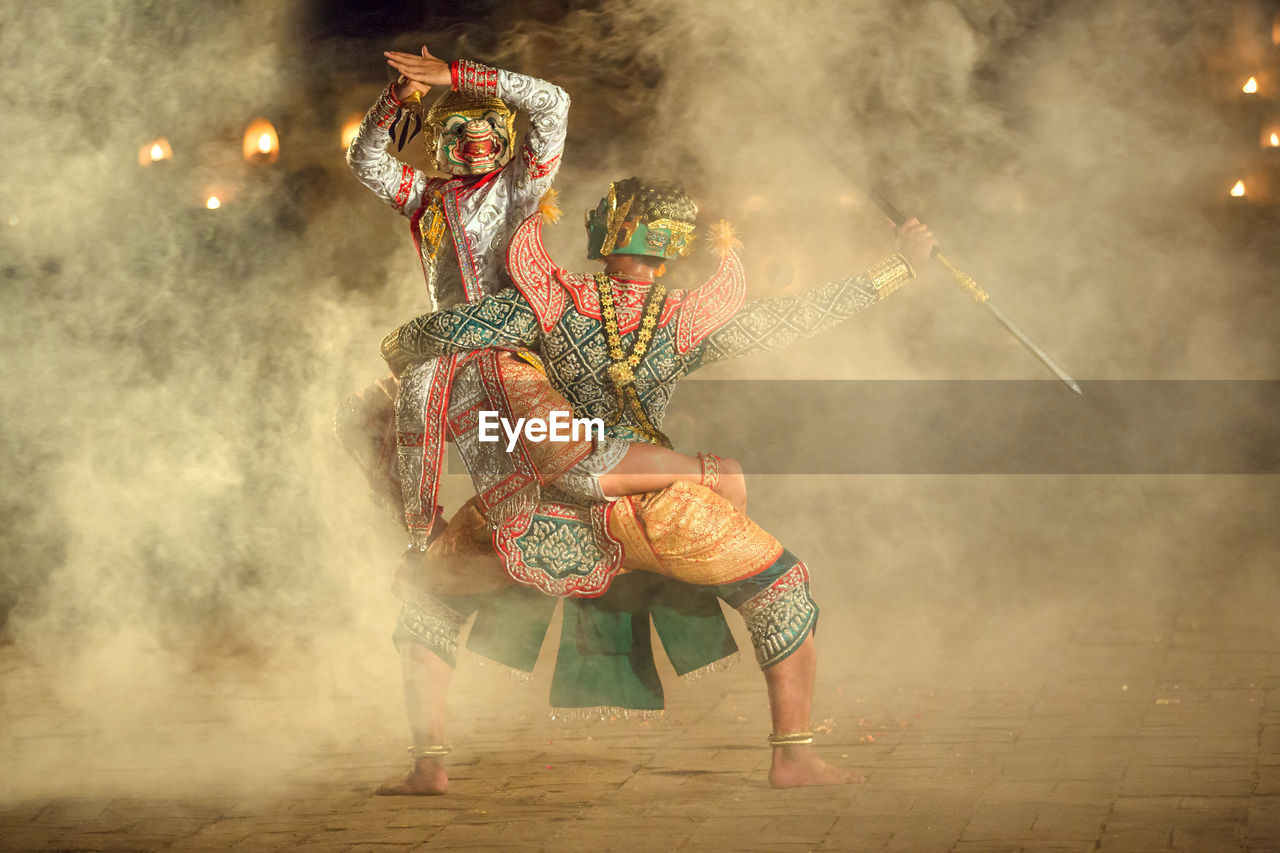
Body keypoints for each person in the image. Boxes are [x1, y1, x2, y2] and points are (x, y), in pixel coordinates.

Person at [380, 177, 939, 787]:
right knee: (782, 590)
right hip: (655, 505)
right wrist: (897, 269)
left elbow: (414, 339)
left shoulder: (545, 304)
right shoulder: (681, 324)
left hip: (532, 508)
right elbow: (789, 319)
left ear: (603, 232)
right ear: (674, 248)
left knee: (428, 600)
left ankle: (427, 766)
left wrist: (483, 359)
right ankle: (794, 756)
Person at [339, 50, 745, 795]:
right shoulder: (424, 200)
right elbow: (365, 155)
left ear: (503, 138)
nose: (475, 145)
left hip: (514, 350)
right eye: (457, 133)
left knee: (553, 479)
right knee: (377, 414)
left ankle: (685, 481)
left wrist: (460, 75)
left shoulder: (523, 186)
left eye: (487, 131)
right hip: (449, 350)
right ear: (437, 141)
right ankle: (419, 539)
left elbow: (553, 99)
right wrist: (395, 97)